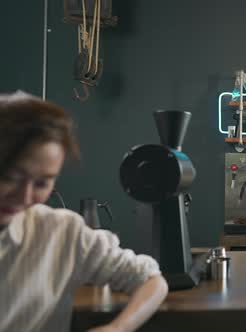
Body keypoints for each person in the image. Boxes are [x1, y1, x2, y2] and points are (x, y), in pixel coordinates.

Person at [0, 91, 168, 332]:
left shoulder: (61, 232)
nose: (25, 197)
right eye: (9, 177)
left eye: (42, 183)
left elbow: (151, 280)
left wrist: (117, 329)